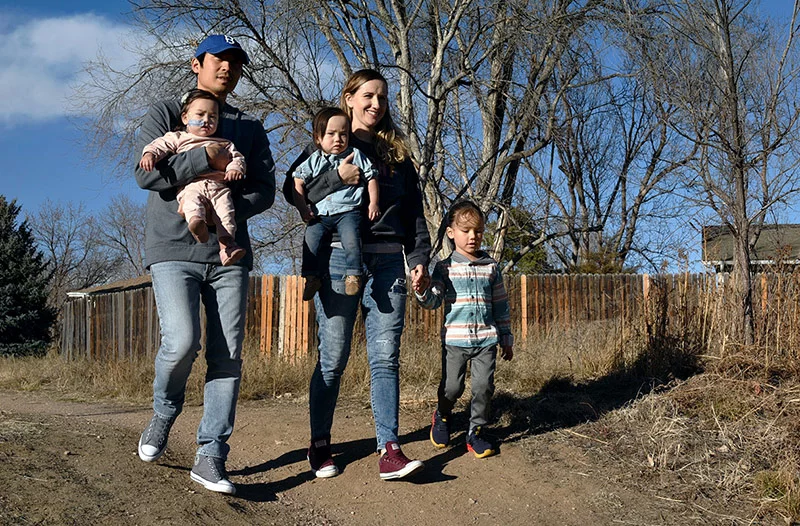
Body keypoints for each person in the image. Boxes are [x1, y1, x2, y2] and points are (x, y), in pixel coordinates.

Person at [135, 34, 275, 495]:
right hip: (173, 250)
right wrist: (203, 156)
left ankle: (211, 455)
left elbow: (264, 190)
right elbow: (147, 174)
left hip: (228, 252)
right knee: (180, 342)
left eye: (237, 64)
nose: (229, 69)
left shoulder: (249, 127)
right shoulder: (167, 113)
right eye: (221, 60)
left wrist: (222, 204)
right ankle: (163, 412)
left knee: (227, 354)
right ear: (197, 63)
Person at [283, 69, 431, 480]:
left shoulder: (397, 157)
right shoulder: (331, 141)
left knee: (385, 358)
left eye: (382, 98)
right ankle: (320, 444)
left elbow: (415, 213)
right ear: (350, 98)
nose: (376, 104)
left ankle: (390, 448)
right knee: (333, 359)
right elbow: (294, 193)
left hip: (387, 262)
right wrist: (337, 177)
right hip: (337, 262)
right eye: (368, 96)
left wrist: (418, 255)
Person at [414, 200, 514, 458]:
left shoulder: (491, 266)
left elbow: (501, 305)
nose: (473, 237)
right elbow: (434, 300)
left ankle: (476, 432)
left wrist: (506, 336)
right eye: (466, 231)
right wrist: (423, 289)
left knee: (483, 387)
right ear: (451, 233)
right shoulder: (444, 267)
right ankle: (443, 415)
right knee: (452, 388)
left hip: (486, 340)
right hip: (455, 341)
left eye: (478, 231)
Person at [140, 88, 247, 266]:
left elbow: (238, 158)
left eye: (212, 117)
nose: (206, 120)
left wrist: (235, 168)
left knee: (227, 214)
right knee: (191, 202)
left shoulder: (224, 143)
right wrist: (150, 154)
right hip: (192, 185)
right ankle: (197, 224)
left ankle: (227, 247)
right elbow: (160, 145)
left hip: (219, 187)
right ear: (185, 118)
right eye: (200, 114)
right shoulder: (179, 138)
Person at [292, 107, 380, 300]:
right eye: (331, 134)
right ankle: (311, 277)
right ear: (318, 138)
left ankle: (353, 275)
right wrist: (302, 208)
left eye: (343, 134)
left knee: (351, 239)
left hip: (348, 212)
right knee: (310, 240)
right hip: (320, 215)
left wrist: (373, 203)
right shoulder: (313, 160)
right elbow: (296, 182)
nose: (338, 139)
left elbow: (372, 177)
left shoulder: (355, 154)